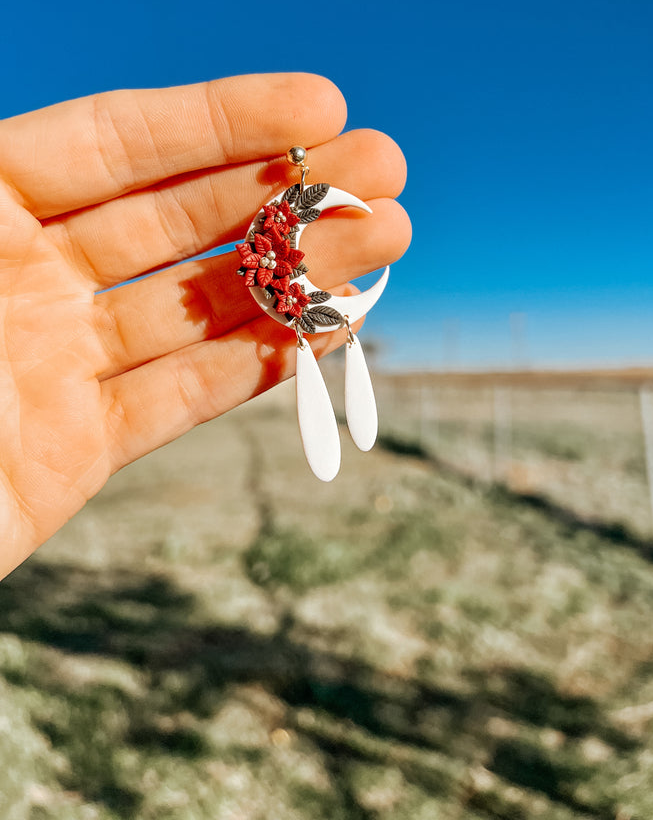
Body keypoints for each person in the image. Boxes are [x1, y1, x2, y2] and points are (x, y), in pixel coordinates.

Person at [0, 72, 411, 580]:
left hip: (299, 291)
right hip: (294, 290)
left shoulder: (284, 231)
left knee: (334, 324)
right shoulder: (272, 242)